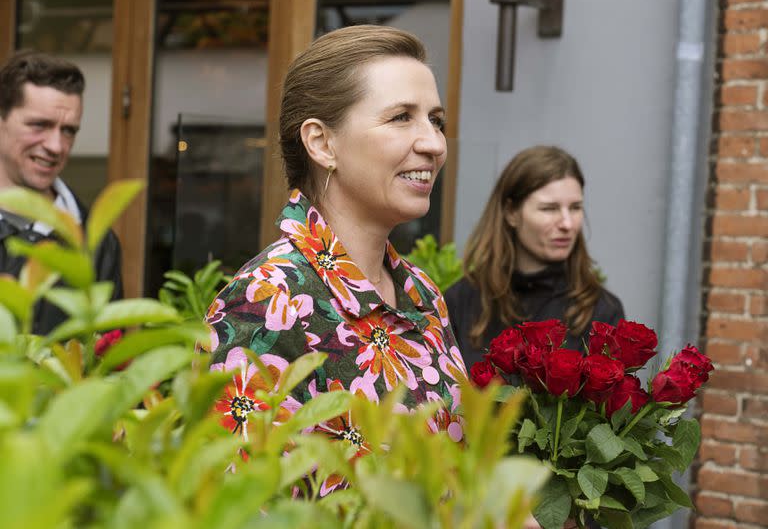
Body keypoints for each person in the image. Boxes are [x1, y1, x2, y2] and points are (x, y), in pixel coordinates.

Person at [205, 25, 467, 490]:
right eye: (402, 118)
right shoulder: (266, 302)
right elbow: (241, 508)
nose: (434, 143)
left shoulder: (421, 295)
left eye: (435, 120)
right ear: (322, 144)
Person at [445, 145, 624, 370]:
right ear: (511, 213)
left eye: (576, 208)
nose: (567, 224)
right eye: (549, 209)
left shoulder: (601, 311)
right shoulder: (461, 301)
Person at [0, 51, 123, 334]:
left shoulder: (96, 241)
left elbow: (106, 351)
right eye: (39, 125)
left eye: (68, 131)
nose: (56, 145)